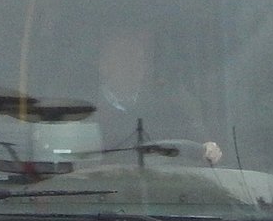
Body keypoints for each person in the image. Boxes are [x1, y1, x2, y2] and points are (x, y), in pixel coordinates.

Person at [95, 28, 222, 166]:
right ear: (103, 66)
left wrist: (209, 149)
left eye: (138, 60)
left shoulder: (166, 107)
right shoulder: (85, 112)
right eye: (124, 59)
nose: (133, 66)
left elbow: (199, 143)